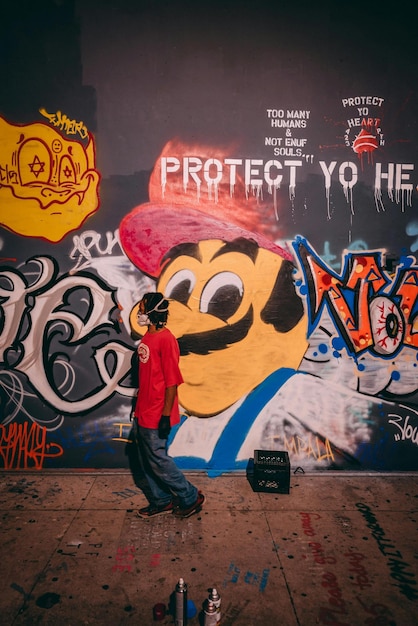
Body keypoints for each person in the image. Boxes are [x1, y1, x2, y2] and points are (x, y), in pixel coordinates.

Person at [132, 292, 205, 519]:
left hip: (157, 411)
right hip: (144, 408)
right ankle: (161, 500)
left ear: (153, 313)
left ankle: (190, 496)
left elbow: (172, 382)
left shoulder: (166, 339)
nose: (140, 312)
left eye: (143, 308)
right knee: (146, 460)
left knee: (159, 461)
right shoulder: (148, 335)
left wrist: (165, 416)